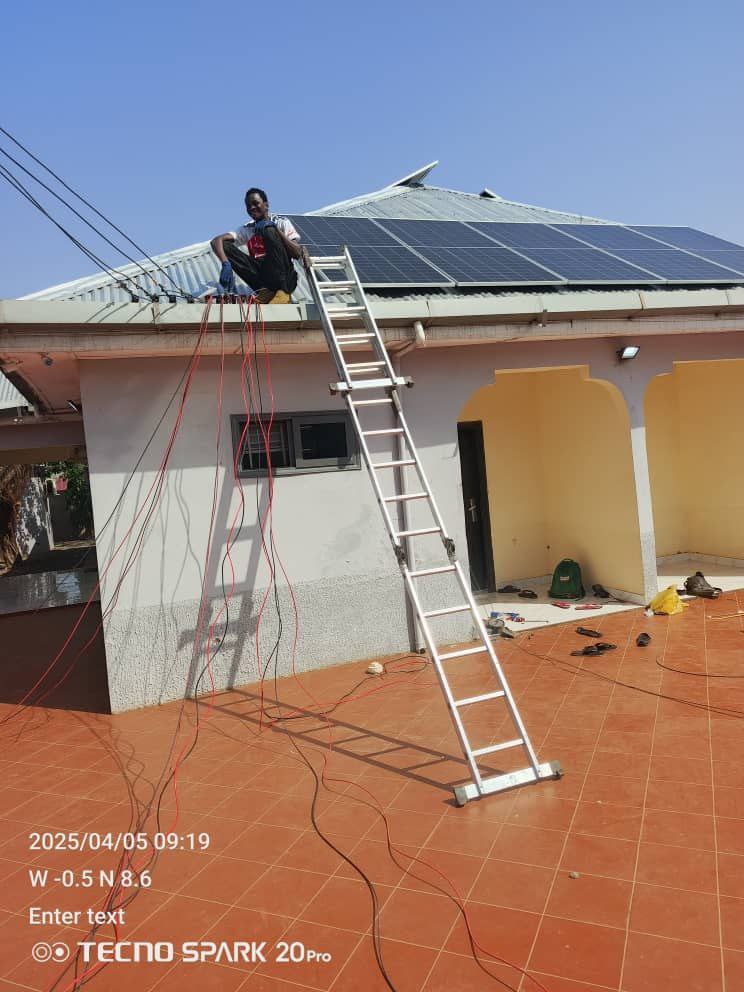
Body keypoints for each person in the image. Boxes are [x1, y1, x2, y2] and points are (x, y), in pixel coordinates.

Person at [210, 188, 309, 304]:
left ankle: (283, 292)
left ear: (266, 205)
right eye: (248, 206)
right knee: (224, 245)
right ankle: (266, 291)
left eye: (255, 203)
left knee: (268, 230)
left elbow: (297, 253)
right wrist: (225, 263)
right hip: (262, 280)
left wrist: (275, 229)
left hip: (285, 279)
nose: (252, 208)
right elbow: (216, 241)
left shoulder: (281, 222)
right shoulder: (248, 229)